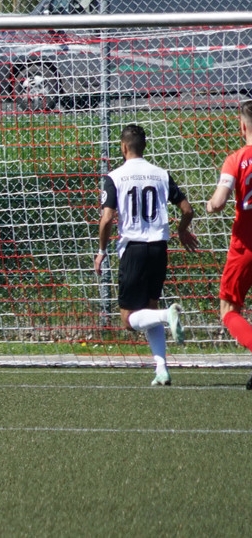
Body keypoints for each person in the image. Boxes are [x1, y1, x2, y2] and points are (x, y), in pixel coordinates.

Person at [94, 124, 198, 386]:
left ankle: (167, 316)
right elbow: (187, 210)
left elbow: (107, 219)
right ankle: (161, 369)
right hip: (159, 249)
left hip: (134, 250)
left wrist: (101, 250)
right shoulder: (161, 174)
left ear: (123, 147)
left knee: (129, 320)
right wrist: (182, 231)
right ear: (144, 146)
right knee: (149, 309)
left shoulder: (115, 177)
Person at [206, 100, 252, 389]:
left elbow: (220, 200)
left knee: (228, 309)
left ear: (242, 127)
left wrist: (210, 204)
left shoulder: (236, 159)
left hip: (245, 246)